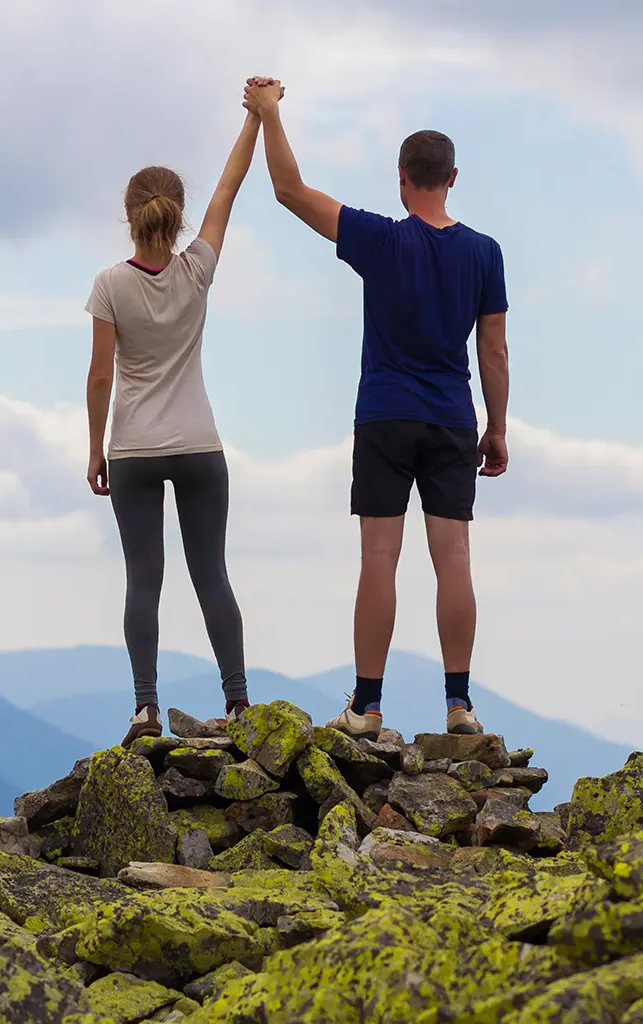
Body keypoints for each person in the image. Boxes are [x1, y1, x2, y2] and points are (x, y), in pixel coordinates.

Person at [243, 78, 509, 739]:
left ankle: (365, 706)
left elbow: (288, 191)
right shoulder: (484, 253)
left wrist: (270, 114)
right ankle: (459, 705)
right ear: (452, 178)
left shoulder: (381, 240)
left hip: (386, 413)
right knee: (454, 559)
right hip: (452, 416)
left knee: (379, 558)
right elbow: (495, 353)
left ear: (401, 178)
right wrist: (497, 427)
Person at [85, 97, 272, 747]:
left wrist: (94, 450)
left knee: (144, 579)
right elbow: (230, 184)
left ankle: (145, 710)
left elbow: (101, 376)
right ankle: (241, 702)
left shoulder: (111, 284)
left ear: (129, 215)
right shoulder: (198, 270)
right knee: (211, 573)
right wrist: (258, 117)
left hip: (134, 448)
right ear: (177, 214)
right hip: (197, 445)